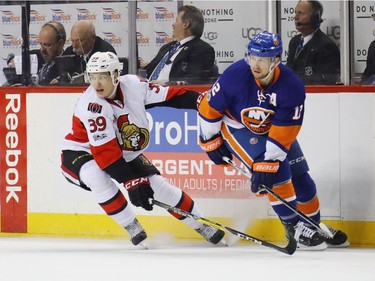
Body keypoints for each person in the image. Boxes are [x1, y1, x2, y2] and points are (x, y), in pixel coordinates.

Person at [197, 31, 349, 250]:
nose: (255, 64)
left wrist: (268, 164)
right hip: (235, 125)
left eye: (263, 59)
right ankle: (293, 227)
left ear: (276, 60)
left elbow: (285, 129)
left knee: (300, 175)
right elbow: (209, 108)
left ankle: (312, 226)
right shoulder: (235, 75)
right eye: (253, 57)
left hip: (271, 129)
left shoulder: (292, 86)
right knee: (277, 173)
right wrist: (210, 140)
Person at [60, 51, 225, 247]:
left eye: (102, 76)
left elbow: (169, 97)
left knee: (159, 187)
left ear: (115, 75)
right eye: (93, 77)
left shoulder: (134, 85)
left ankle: (200, 223)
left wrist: (199, 101)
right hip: (79, 153)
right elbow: (105, 154)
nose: (96, 83)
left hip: (120, 152)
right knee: (98, 176)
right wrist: (132, 182)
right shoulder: (92, 107)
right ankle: (130, 225)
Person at [143, 5, 217, 85]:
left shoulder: (202, 49)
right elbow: (148, 70)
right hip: (147, 91)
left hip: (170, 94)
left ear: (185, 25)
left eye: (176, 21)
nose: (173, 25)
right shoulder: (167, 48)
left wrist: (167, 83)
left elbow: (195, 80)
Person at [286, 0, 340, 85]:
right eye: (295, 12)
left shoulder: (327, 46)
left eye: (301, 13)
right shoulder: (294, 42)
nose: (295, 17)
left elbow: (327, 79)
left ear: (315, 18)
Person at [37, 21, 67, 85]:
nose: (42, 50)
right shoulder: (35, 57)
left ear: (60, 43)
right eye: (41, 44)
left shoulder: (67, 67)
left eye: (47, 45)